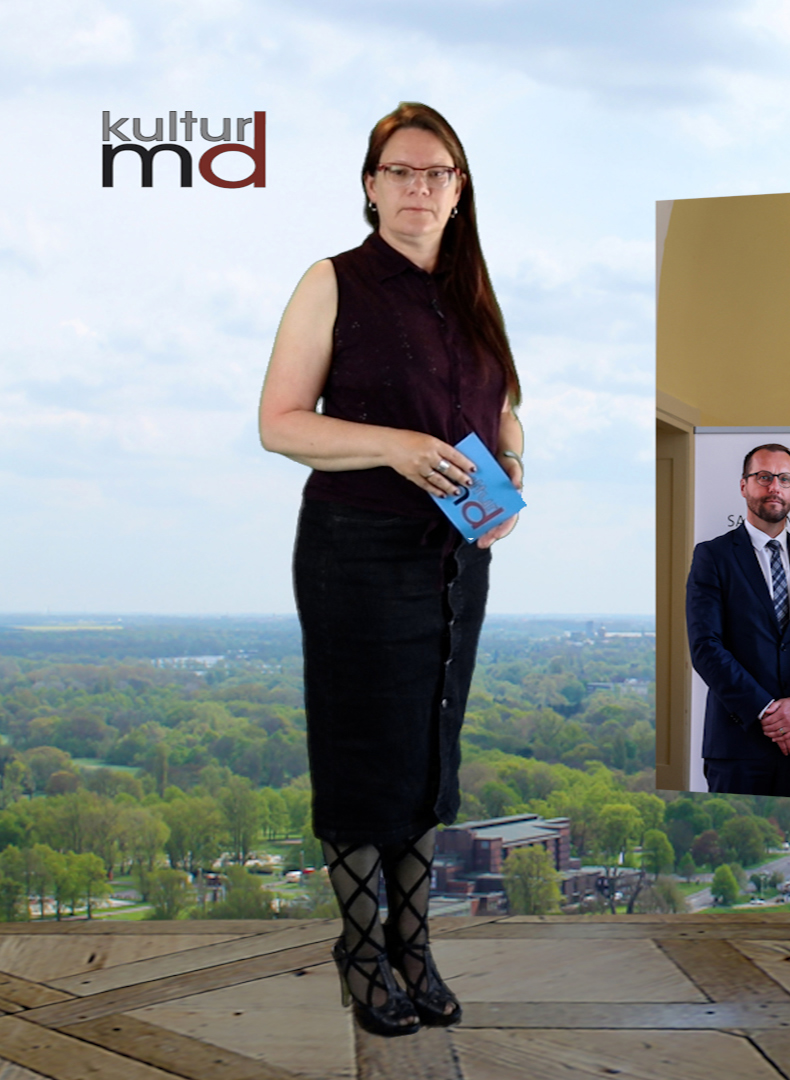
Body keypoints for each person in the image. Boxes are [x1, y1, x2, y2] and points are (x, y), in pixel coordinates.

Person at [259, 104, 522, 1037]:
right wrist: (399, 449)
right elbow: (280, 422)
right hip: (355, 555)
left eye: (437, 172)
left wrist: (512, 470)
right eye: (401, 171)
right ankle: (363, 950)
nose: (419, 187)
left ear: (459, 191)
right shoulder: (330, 282)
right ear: (370, 186)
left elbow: (508, 408)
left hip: (453, 563)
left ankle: (415, 944)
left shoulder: (474, 293)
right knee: (361, 755)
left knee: (427, 754)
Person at [686, 443, 790, 796]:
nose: (774, 488)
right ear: (744, 485)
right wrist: (768, 712)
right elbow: (705, 646)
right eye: (763, 477)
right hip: (737, 746)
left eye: (784, 479)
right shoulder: (713, 556)